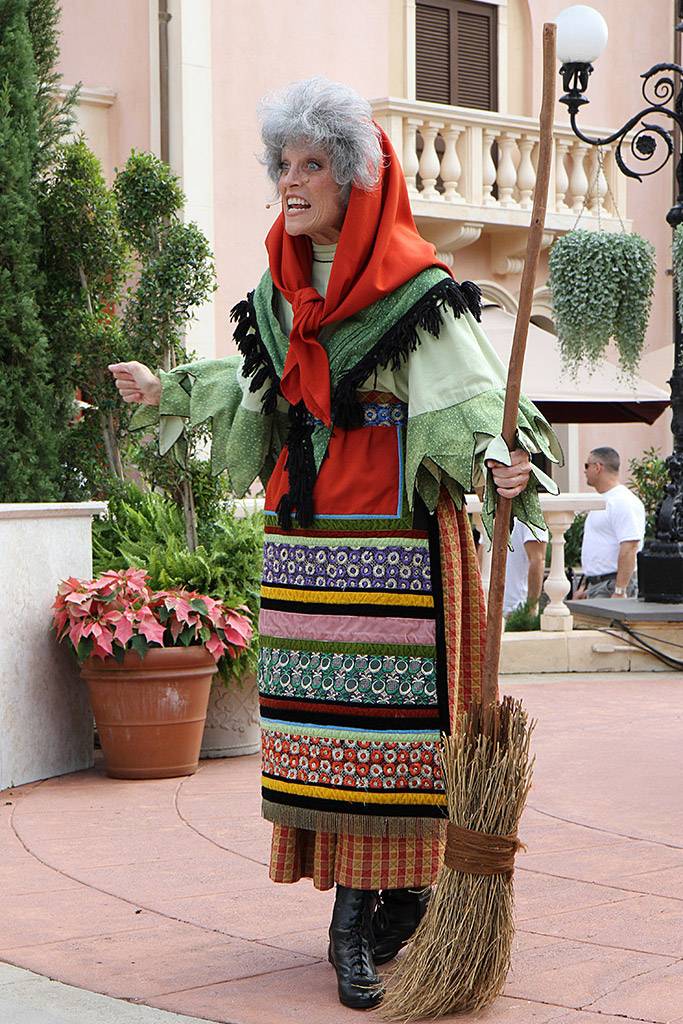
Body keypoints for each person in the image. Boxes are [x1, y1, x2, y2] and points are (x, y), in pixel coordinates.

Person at [109, 77, 561, 1011]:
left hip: (395, 549)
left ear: (356, 181)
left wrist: (503, 460)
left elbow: (478, 404)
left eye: (313, 164)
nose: (292, 180)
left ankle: (365, 920)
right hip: (306, 549)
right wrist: (166, 389)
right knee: (322, 737)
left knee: (396, 741)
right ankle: (388, 905)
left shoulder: (419, 292)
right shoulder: (276, 294)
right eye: (284, 164)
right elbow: (248, 388)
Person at [576, 446, 645, 599]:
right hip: (599, 585)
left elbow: (630, 546)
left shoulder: (622, 501)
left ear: (598, 467)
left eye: (587, 466)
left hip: (612, 586)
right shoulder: (604, 500)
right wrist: (585, 587)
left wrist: (620, 590)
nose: (585, 471)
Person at [502, 519, 548, 616]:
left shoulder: (531, 513)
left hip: (514, 608)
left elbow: (537, 560)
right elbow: (538, 560)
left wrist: (530, 607)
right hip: (504, 607)